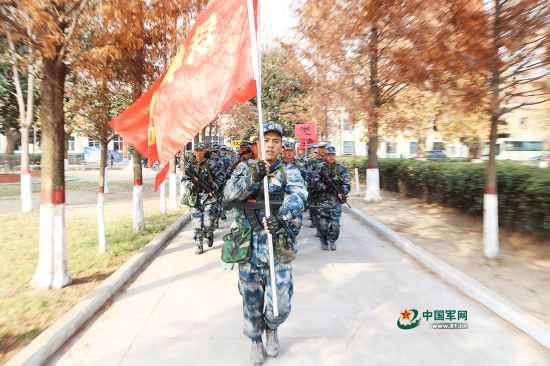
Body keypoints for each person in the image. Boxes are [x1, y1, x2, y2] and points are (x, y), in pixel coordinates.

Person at [224, 122, 307, 365]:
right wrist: (253, 176)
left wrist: (282, 217)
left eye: (276, 141)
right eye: (266, 140)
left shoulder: (289, 171)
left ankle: (272, 328)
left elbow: (300, 195)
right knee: (251, 301)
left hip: (277, 247)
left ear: (281, 146)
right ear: (257, 144)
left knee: (279, 304)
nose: (270, 145)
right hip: (247, 248)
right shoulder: (243, 168)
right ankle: (255, 342)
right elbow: (229, 195)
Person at [182, 143, 224, 254]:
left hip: (208, 198)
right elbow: (184, 180)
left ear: (204, 151)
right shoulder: (190, 165)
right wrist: (191, 185)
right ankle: (199, 245)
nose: (199, 153)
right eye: (197, 150)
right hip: (195, 198)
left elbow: (220, 177)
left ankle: (209, 234)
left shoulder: (211, 163)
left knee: (208, 222)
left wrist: (215, 185)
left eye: (201, 150)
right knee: (196, 223)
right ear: (194, 152)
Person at [309, 146, 351, 250]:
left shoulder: (341, 168)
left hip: (335, 201)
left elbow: (347, 183)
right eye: (329, 155)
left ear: (335, 155)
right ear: (325, 155)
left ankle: (332, 240)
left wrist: (342, 191)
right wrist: (325, 187)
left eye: (333, 155)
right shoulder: (319, 167)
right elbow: (314, 182)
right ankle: (324, 241)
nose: (331, 157)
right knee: (323, 224)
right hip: (322, 201)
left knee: (335, 224)